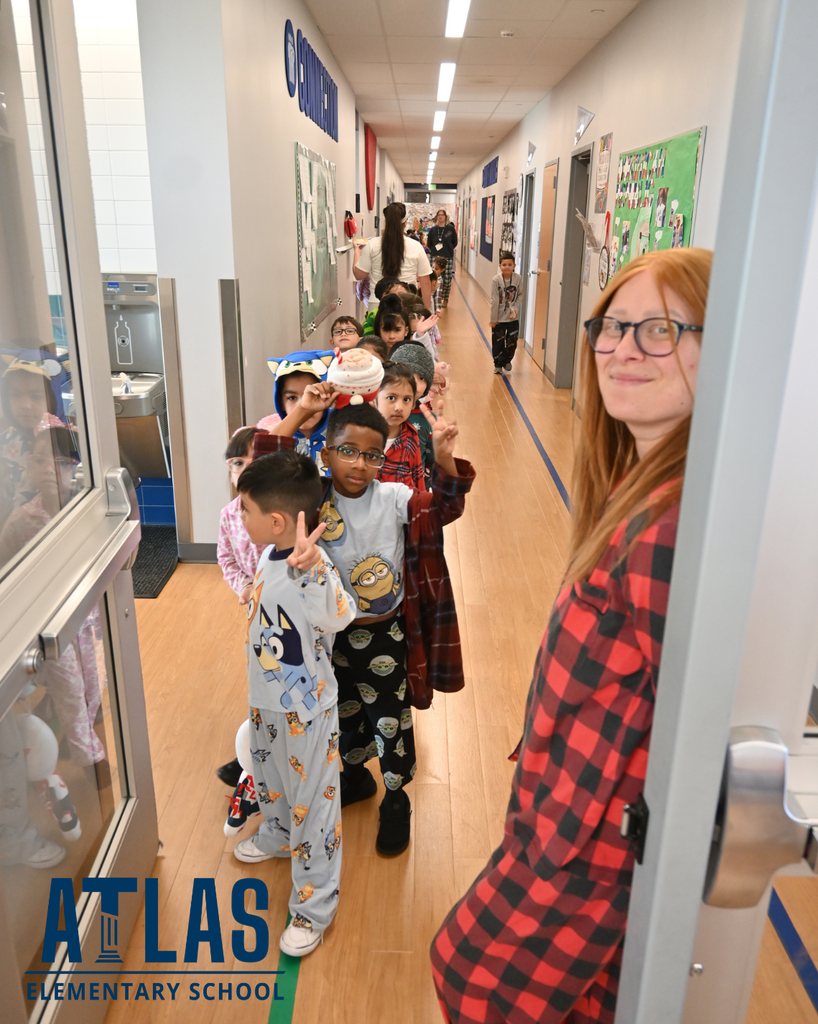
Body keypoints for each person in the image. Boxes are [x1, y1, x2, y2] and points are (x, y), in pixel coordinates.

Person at [431, 248, 712, 1024]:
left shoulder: (673, 525)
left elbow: (694, 729)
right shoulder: (638, 486)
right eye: (613, 327)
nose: (622, 349)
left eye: (659, 330)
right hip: (561, 819)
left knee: (471, 982)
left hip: (588, 848)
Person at [317, 400, 475, 855]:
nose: (359, 464)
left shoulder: (392, 498)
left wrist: (443, 460)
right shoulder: (313, 499)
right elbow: (264, 477)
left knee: (389, 719)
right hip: (328, 637)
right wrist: (300, 414)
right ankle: (354, 778)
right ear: (325, 453)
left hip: (383, 632)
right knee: (341, 710)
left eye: (372, 455)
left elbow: (444, 507)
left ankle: (395, 798)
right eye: (347, 451)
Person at [234, 449, 356, 957]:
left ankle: (312, 906)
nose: (238, 516)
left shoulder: (314, 566)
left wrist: (314, 574)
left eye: (244, 510)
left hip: (308, 713)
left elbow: (339, 617)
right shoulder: (268, 554)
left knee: (317, 811)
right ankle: (278, 833)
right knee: (273, 782)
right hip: (266, 701)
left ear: (277, 520)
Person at [266, 351, 335, 473]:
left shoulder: (342, 428)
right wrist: (302, 411)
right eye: (292, 397)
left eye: (313, 395)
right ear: (280, 402)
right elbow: (261, 462)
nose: (304, 403)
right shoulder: (275, 435)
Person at [354, 203, 433, 309]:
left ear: (386, 221)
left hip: (378, 305)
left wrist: (356, 251)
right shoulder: (416, 246)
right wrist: (426, 310)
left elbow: (358, 275)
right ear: (405, 223)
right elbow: (425, 281)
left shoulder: (372, 244)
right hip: (406, 304)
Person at [374, 362, 424, 490]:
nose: (399, 408)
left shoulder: (411, 439)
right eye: (391, 398)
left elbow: (418, 480)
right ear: (374, 398)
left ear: (413, 403)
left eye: (406, 399)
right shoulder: (360, 433)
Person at [390, 342, 436, 475]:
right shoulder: (377, 412)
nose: (415, 382)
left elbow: (433, 462)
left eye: (422, 378)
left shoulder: (429, 420)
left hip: (415, 490)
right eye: (409, 374)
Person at [490, 251, 524, 374]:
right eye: (504, 265)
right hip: (499, 318)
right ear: (500, 266)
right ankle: (498, 364)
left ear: (514, 265)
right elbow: (494, 300)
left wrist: (515, 309)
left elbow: (520, 295)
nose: (507, 267)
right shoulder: (496, 280)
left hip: (512, 318)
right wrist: (493, 319)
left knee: (512, 341)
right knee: (498, 341)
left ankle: (507, 360)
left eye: (510, 264)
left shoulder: (518, 278)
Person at [427, 209, 458, 308]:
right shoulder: (433, 230)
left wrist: (446, 249)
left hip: (447, 256)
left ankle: (445, 298)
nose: (440, 217)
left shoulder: (450, 229)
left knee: (447, 279)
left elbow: (455, 242)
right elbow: (429, 243)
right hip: (435, 256)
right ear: (437, 217)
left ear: (445, 217)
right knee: (433, 277)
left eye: (442, 215)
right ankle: (434, 297)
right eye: (439, 215)